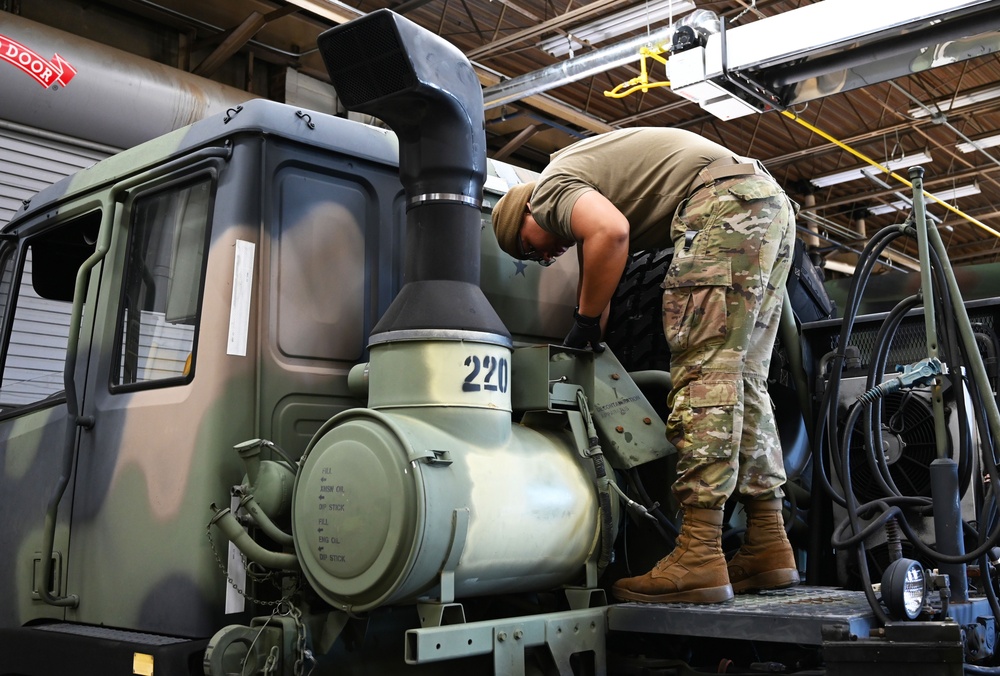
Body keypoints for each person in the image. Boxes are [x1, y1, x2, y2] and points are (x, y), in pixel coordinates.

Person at [491, 127, 799, 604]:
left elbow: (611, 234)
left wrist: (585, 322)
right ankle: (768, 540)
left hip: (722, 206)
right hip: (763, 202)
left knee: (703, 376)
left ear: (526, 213)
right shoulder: (585, 175)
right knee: (743, 378)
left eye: (528, 248)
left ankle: (698, 551)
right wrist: (589, 327)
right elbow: (605, 270)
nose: (542, 257)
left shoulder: (550, 189)